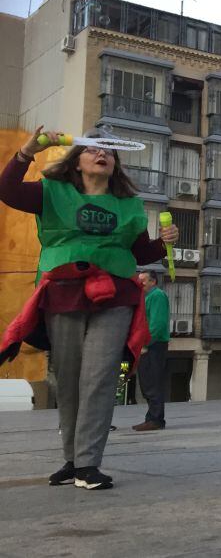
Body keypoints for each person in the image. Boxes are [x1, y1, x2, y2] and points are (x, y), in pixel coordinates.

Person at [0, 127, 174, 490]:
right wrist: (27, 151)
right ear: (76, 162)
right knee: (68, 380)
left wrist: (163, 244)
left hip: (115, 296)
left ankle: (88, 465)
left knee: (99, 378)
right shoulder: (52, 192)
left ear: (115, 165)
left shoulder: (128, 205)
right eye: (93, 149)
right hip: (63, 292)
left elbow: (140, 253)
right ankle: (72, 460)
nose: (102, 154)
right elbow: (8, 190)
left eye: (109, 152)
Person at [132, 270, 170, 431]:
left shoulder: (157, 296)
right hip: (147, 344)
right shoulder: (146, 297)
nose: (140, 283)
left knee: (152, 383)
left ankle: (156, 419)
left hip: (154, 345)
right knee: (147, 383)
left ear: (153, 281)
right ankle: (152, 418)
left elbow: (158, 323)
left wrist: (147, 344)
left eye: (144, 280)